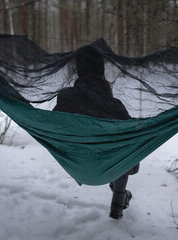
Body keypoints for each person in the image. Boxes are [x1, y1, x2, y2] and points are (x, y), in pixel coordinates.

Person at [53, 46, 139, 219]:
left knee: (121, 149)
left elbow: (53, 125)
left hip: (77, 165)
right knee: (128, 149)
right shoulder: (113, 104)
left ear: (79, 70)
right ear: (101, 71)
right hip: (106, 167)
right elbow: (131, 133)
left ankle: (119, 195)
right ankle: (118, 202)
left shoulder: (65, 97)